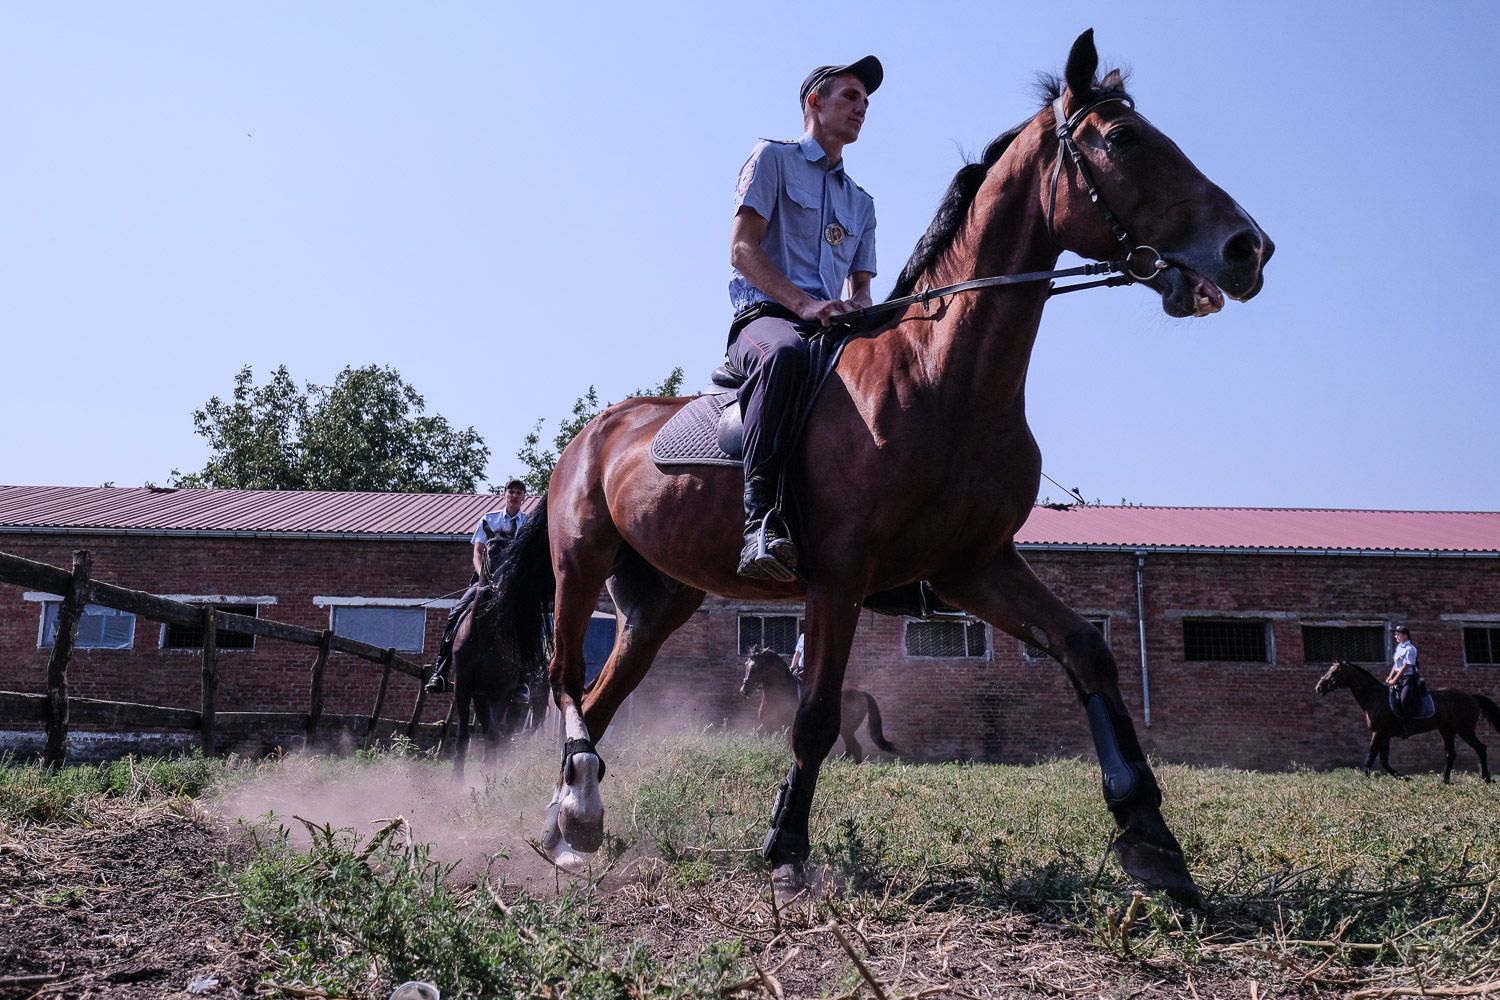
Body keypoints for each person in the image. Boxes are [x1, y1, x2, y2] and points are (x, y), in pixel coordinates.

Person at [726, 55, 882, 580]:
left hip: (830, 327)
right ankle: (758, 523)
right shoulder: (772, 157)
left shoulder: (862, 203)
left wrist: (860, 311)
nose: (861, 108)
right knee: (786, 354)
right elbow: (742, 250)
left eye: (865, 101)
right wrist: (806, 305)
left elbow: (861, 290)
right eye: (850, 96)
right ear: (814, 101)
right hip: (765, 319)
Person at [425, 479, 529, 694]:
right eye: (511, 492)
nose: (514, 496)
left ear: (523, 498)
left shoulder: (528, 524)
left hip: (513, 585)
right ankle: (440, 672)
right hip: (484, 580)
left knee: (529, 621)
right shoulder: (488, 519)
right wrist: (485, 576)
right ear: (505, 494)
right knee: (456, 614)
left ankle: (523, 681)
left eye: (519, 493)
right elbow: (477, 552)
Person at [1383, 623, 1424, 719]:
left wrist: (1394, 680)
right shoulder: (1399, 647)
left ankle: (1410, 724)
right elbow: (1396, 664)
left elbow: (1405, 666)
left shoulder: (1411, 649)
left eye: (1398, 634)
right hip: (1398, 678)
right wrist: (1390, 677)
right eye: (1395, 634)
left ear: (1405, 635)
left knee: (1404, 699)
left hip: (1408, 679)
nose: (1395, 636)